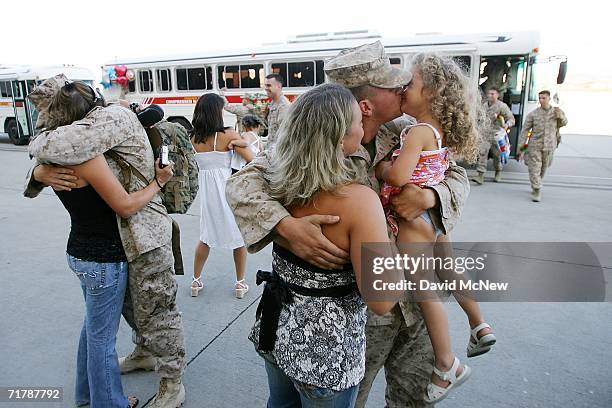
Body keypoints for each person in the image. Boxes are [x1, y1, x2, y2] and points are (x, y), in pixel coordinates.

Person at [226, 41, 471, 408]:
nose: (403, 88)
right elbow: (242, 183)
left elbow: (456, 176)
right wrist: (284, 226)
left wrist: (431, 196)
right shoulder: (316, 137)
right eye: (392, 86)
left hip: (420, 301)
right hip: (363, 312)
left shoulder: (407, 131)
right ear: (365, 104)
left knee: (416, 398)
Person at [25, 76, 186, 408]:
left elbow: (48, 145)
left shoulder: (107, 123)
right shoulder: (77, 142)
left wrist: (37, 167)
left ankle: (172, 381)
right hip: (116, 244)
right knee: (125, 313)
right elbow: (52, 146)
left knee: (157, 312)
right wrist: (37, 172)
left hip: (145, 237)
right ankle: (141, 356)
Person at [250, 82, 404, 407]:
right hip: (326, 355)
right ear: (340, 138)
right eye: (357, 120)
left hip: (277, 330)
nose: (364, 122)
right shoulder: (359, 202)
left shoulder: (275, 181)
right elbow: (381, 299)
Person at [376, 53, 495, 403]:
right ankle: (479, 324)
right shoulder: (436, 132)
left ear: (432, 92)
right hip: (432, 226)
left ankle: (447, 363)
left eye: (409, 83)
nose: (402, 87)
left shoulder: (414, 131)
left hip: (412, 224)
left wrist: (383, 168)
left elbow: (399, 177)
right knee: (449, 268)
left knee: (425, 293)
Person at [190, 93, 254, 298]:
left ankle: (196, 281)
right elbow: (252, 159)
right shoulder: (227, 134)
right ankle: (240, 283)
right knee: (238, 238)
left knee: (206, 236)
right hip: (227, 190)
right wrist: (242, 142)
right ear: (216, 112)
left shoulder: (193, 138)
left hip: (207, 193)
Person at [517, 90, 568, 202]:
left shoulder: (556, 112)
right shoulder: (533, 114)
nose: (541, 100)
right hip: (535, 146)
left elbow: (564, 123)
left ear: (549, 99)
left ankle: (537, 182)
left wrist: (561, 117)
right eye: (540, 98)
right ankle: (536, 189)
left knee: (543, 169)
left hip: (549, 146)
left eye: (544, 98)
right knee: (534, 168)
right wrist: (521, 149)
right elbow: (524, 132)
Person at [471, 87, 515, 184]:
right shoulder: (484, 106)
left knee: (497, 155)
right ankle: (480, 175)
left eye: (493, 94)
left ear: (497, 95)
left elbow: (511, 119)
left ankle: (498, 172)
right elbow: (478, 118)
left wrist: (506, 125)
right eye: (489, 93)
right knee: (482, 153)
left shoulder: (502, 106)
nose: (490, 95)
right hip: (485, 133)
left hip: (497, 134)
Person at [263, 73, 291, 149]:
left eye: (269, 85)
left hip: (278, 151)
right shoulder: (272, 103)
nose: (265, 88)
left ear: (278, 86)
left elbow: (285, 133)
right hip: (271, 149)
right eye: (265, 85)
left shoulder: (284, 106)